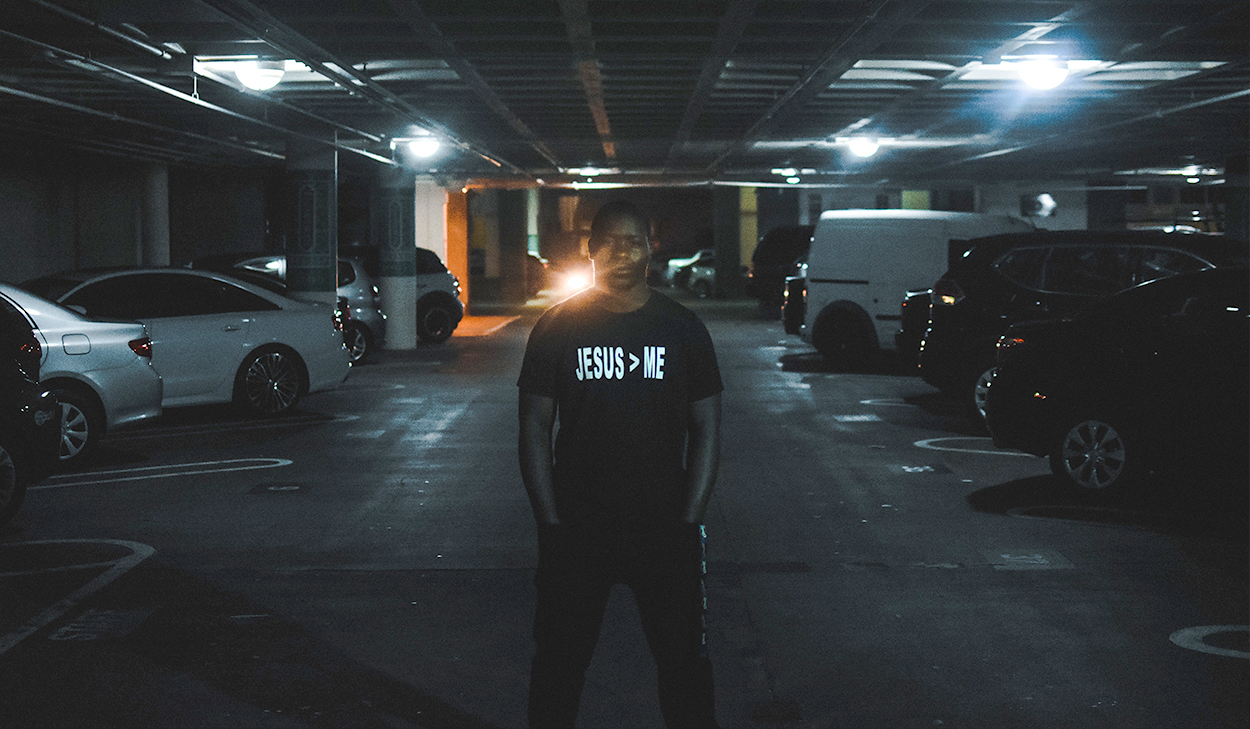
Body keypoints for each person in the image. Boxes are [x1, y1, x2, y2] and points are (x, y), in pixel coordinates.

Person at [517, 200, 724, 729]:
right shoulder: (557, 328)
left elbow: (707, 430)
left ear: (651, 248)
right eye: (610, 241)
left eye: (634, 241)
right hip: (579, 528)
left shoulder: (682, 328)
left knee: (684, 670)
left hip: (662, 527)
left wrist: (689, 521)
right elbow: (535, 430)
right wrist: (551, 524)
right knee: (558, 668)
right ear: (590, 250)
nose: (623, 252)